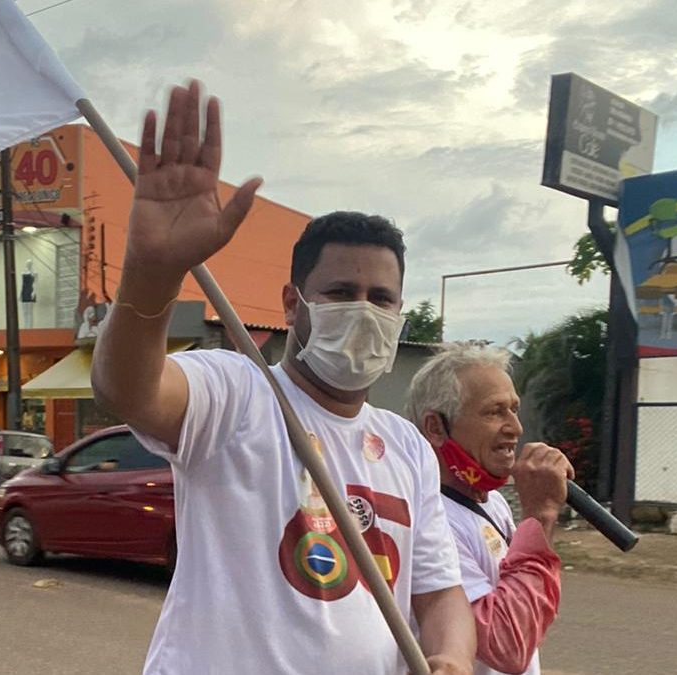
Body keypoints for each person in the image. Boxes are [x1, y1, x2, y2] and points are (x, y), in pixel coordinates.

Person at [91, 81, 475, 674]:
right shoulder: (239, 396)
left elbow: (440, 592)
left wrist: (450, 655)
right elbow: (129, 388)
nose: (364, 311)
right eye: (342, 293)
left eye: (382, 298)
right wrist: (150, 271)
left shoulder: (407, 449)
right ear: (293, 305)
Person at [406, 343, 574, 675]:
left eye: (514, 409)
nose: (516, 427)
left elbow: (529, 610)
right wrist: (540, 515)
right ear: (436, 427)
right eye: (495, 411)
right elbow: (507, 644)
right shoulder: (429, 517)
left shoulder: (492, 502)